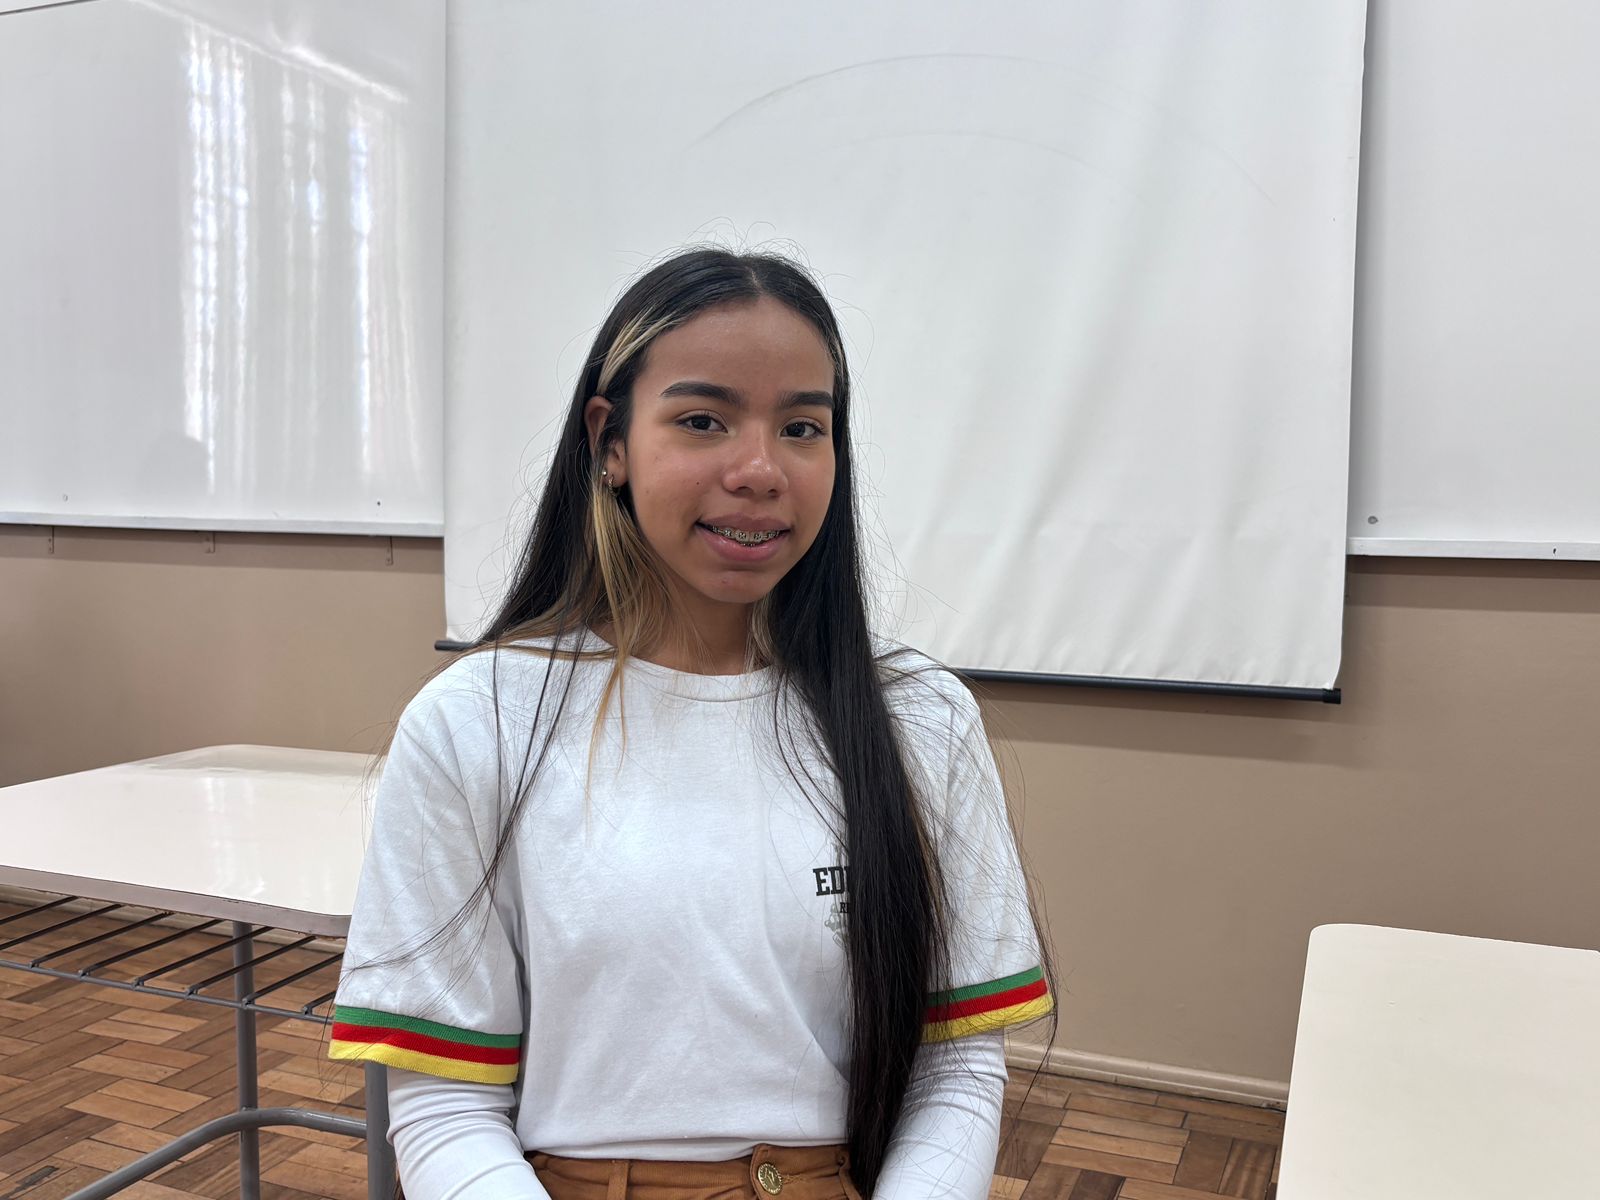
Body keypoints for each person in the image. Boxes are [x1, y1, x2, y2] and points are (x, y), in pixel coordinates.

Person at [327, 247, 1055, 1200]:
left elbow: (955, 1071)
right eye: (703, 420)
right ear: (611, 441)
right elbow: (443, 1108)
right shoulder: (477, 720)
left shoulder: (920, 717)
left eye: (802, 427)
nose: (759, 470)